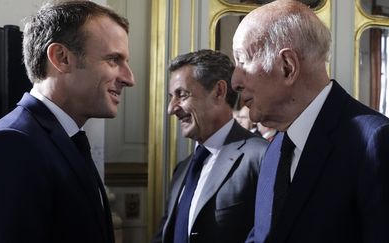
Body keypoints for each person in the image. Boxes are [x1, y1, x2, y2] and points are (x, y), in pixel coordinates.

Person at [0, 1, 134, 243]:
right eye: (114, 60)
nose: (129, 78)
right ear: (61, 58)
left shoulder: (64, 138)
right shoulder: (7, 145)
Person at [231, 1, 389, 243]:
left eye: (242, 61)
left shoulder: (374, 142)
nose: (235, 81)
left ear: (287, 67)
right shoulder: (276, 149)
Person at [152, 49, 268, 243]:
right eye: (171, 96)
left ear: (219, 91)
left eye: (182, 94)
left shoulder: (261, 157)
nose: (171, 108)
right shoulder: (183, 169)